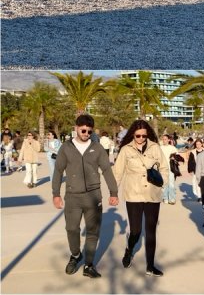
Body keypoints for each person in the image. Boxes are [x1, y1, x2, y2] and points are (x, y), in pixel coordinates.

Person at [52, 114, 119, 278]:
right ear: (76, 128)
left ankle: (89, 264)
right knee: (72, 229)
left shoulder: (97, 148)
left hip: (94, 196)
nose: (86, 133)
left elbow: (107, 170)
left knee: (93, 232)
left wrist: (113, 192)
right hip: (73, 197)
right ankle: (75, 255)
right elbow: (58, 171)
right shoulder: (66, 147)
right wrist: (56, 194)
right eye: (83, 130)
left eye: (89, 131)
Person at [113, 120, 169, 276]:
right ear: (133, 134)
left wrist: (162, 182)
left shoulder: (155, 148)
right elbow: (117, 173)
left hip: (152, 193)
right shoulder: (125, 150)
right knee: (136, 231)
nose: (141, 138)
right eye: (138, 135)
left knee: (151, 231)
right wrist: (113, 193)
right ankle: (129, 250)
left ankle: (150, 265)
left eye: (144, 135)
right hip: (133, 194)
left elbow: (164, 167)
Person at [158, 134, 179, 205]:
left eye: (165, 139)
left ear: (169, 140)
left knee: (171, 184)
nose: (164, 141)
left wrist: (174, 158)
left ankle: (172, 199)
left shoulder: (172, 148)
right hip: (162, 169)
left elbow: (178, 157)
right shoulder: (160, 148)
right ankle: (165, 198)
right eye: (163, 139)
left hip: (171, 169)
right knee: (164, 185)